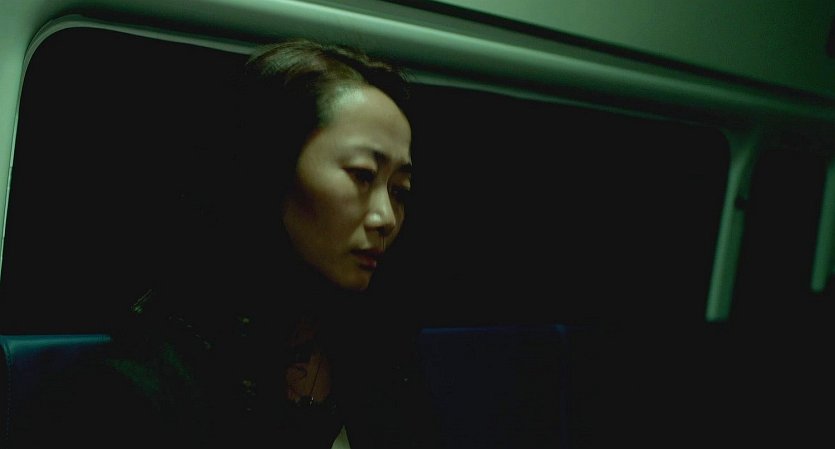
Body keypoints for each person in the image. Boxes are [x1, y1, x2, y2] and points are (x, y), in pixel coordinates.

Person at [15, 38, 441, 449]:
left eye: (400, 191)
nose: (386, 218)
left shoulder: (378, 362)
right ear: (270, 170)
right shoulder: (138, 391)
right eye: (363, 175)